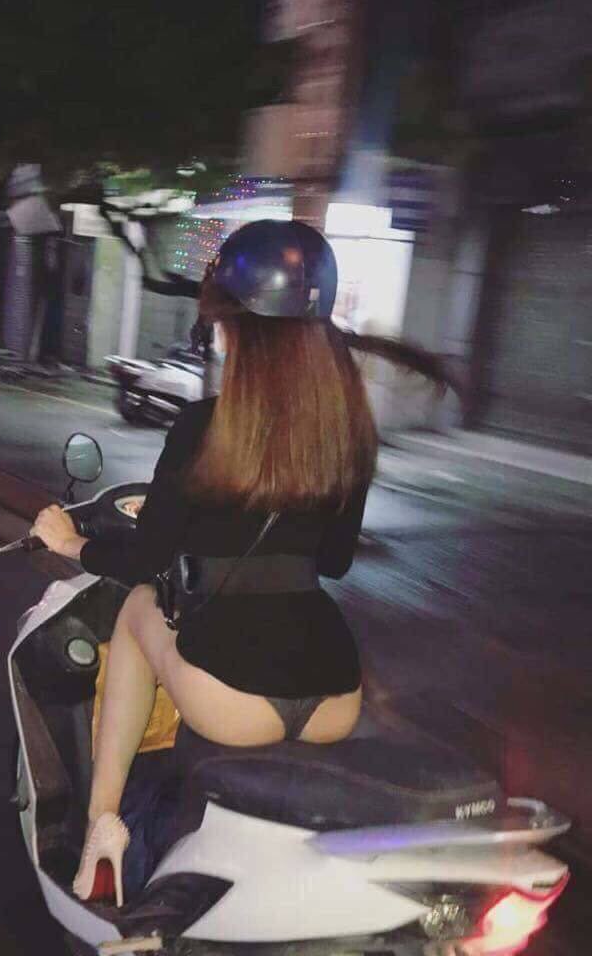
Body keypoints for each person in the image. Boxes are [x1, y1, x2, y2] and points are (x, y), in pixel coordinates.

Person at [30, 220, 453, 908]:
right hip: (334, 700)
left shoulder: (205, 426)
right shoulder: (348, 435)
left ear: (238, 331)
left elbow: (148, 559)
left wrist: (68, 541)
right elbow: (335, 561)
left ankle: (101, 832)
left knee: (138, 607)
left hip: (232, 704)